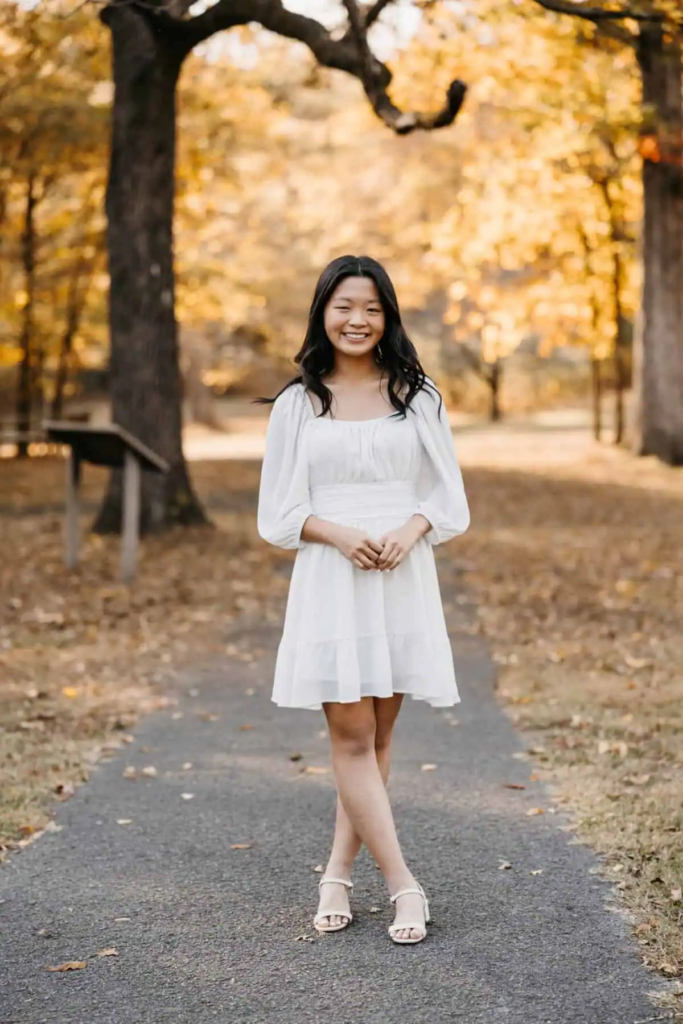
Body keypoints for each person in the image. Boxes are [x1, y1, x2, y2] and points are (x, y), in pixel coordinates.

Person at [256, 255, 470, 945]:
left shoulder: (418, 395)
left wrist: (409, 531)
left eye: (371, 307)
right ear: (323, 311)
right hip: (331, 579)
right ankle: (406, 885)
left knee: (376, 739)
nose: (357, 319)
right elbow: (278, 515)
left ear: (387, 317)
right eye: (344, 305)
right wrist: (339, 534)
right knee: (350, 737)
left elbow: (447, 502)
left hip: (400, 578)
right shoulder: (299, 403)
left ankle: (336, 874)